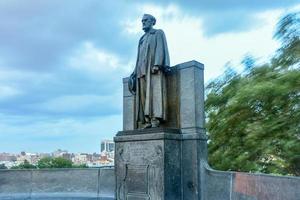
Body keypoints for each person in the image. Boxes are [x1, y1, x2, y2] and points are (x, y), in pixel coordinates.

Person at [129, 14, 170, 129]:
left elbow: (161, 48)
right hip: (141, 71)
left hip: (152, 70)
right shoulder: (141, 39)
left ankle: (155, 119)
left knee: (154, 95)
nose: (143, 23)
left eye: (146, 20)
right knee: (143, 96)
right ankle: (146, 120)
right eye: (142, 21)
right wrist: (134, 71)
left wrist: (157, 64)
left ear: (152, 22)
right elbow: (138, 57)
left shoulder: (158, 33)